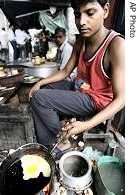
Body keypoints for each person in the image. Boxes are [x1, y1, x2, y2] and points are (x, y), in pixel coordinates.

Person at [29, 0, 125, 156]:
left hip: (96, 99)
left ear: (106, 10)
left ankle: (60, 142)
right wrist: (40, 82)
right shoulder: (81, 41)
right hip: (80, 88)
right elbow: (66, 71)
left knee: (40, 99)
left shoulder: (116, 45)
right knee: (43, 90)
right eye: (77, 14)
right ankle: (60, 128)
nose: (82, 22)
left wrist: (86, 125)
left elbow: (121, 99)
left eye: (90, 13)